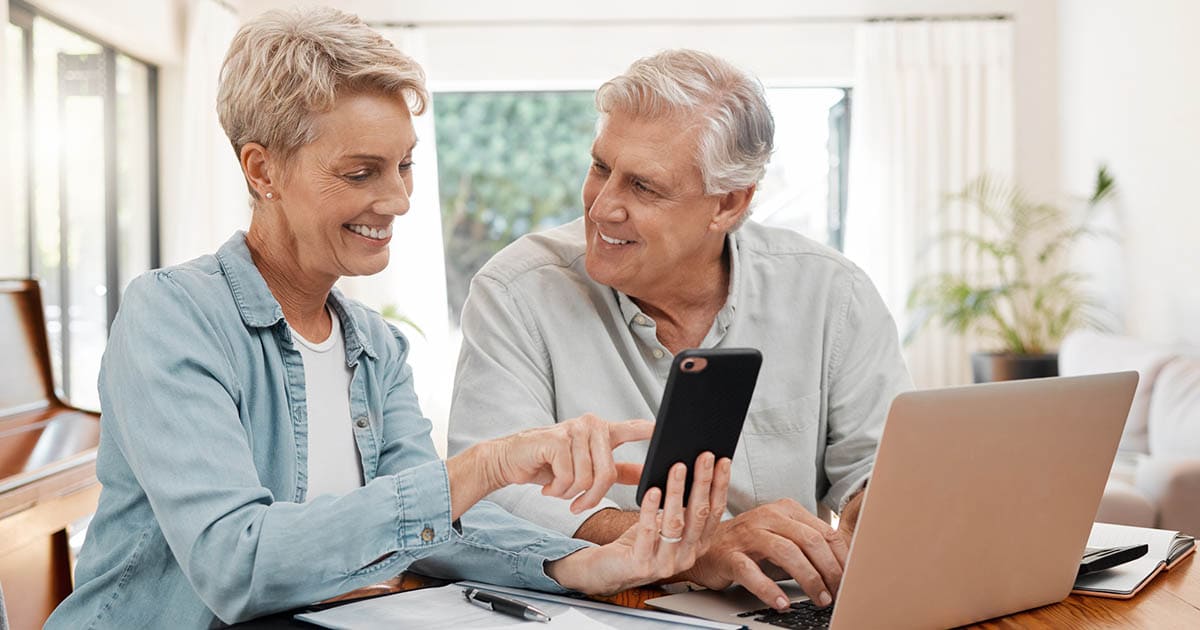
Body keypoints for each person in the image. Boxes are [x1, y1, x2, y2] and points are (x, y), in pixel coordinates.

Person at [45, 10, 731, 629]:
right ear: (262, 170)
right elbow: (237, 563)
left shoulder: (374, 346)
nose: (398, 199)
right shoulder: (173, 316)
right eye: (361, 173)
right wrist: (487, 464)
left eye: (403, 166)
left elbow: (440, 531)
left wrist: (584, 566)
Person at [448, 48, 912, 612]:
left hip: (785, 606)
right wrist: (686, 548)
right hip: (607, 611)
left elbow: (883, 469)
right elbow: (486, 498)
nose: (603, 207)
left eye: (643, 187)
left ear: (729, 204)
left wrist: (879, 515)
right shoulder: (517, 291)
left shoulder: (830, 293)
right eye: (600, 168)